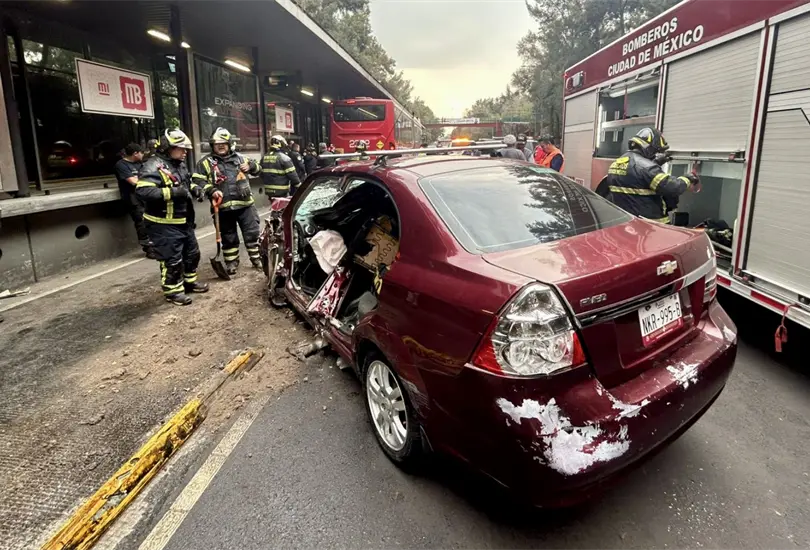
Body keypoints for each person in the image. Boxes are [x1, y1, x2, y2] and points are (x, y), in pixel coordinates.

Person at [136, 129, 208, 305]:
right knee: (172, 258)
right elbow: (143, 190)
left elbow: (186, 182)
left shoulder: (178, 164)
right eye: (181, 149)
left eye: (186, 149)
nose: (185, 152)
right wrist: (174, 192)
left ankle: (189, 282)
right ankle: (173, 291)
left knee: (192, 253)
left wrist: (195, 189)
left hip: (183, 220)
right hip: (163, 223)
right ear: (168, 147)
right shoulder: (153, 165)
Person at [192, 127, 262, 274]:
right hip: (222, 208)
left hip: (245, 206)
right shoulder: (205, 163)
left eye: (223, 143)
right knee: (228, 237)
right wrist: (211, 190)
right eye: (217, 144)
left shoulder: (241, 158)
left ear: (229, 144)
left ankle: (257, 259)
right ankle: (231, 263)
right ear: (212, 146)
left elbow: (258, 170)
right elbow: (197, 181)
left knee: (252, 233)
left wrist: (252, 166)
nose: (221, 146)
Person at [604, 127, 699, 223]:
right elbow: (671, 187)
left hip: (626, 222)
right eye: (656, 151)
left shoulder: (617, 163)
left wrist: (655, 162)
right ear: (649, 148)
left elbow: (639, 180)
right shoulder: (648, 168)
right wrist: (687, 179)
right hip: (651, 226)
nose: (656, 154)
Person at [114, 143, 151, 256]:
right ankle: (148, 247)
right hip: (132, 197)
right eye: (141, 153)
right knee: (141, 221)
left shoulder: (140, 163)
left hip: (145, 195)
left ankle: (155, 244)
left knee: (151, 220)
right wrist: (142, 179)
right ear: (135, 153)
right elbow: (133, 181)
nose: (143, 155)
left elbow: (149, 177)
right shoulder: (121, 165)